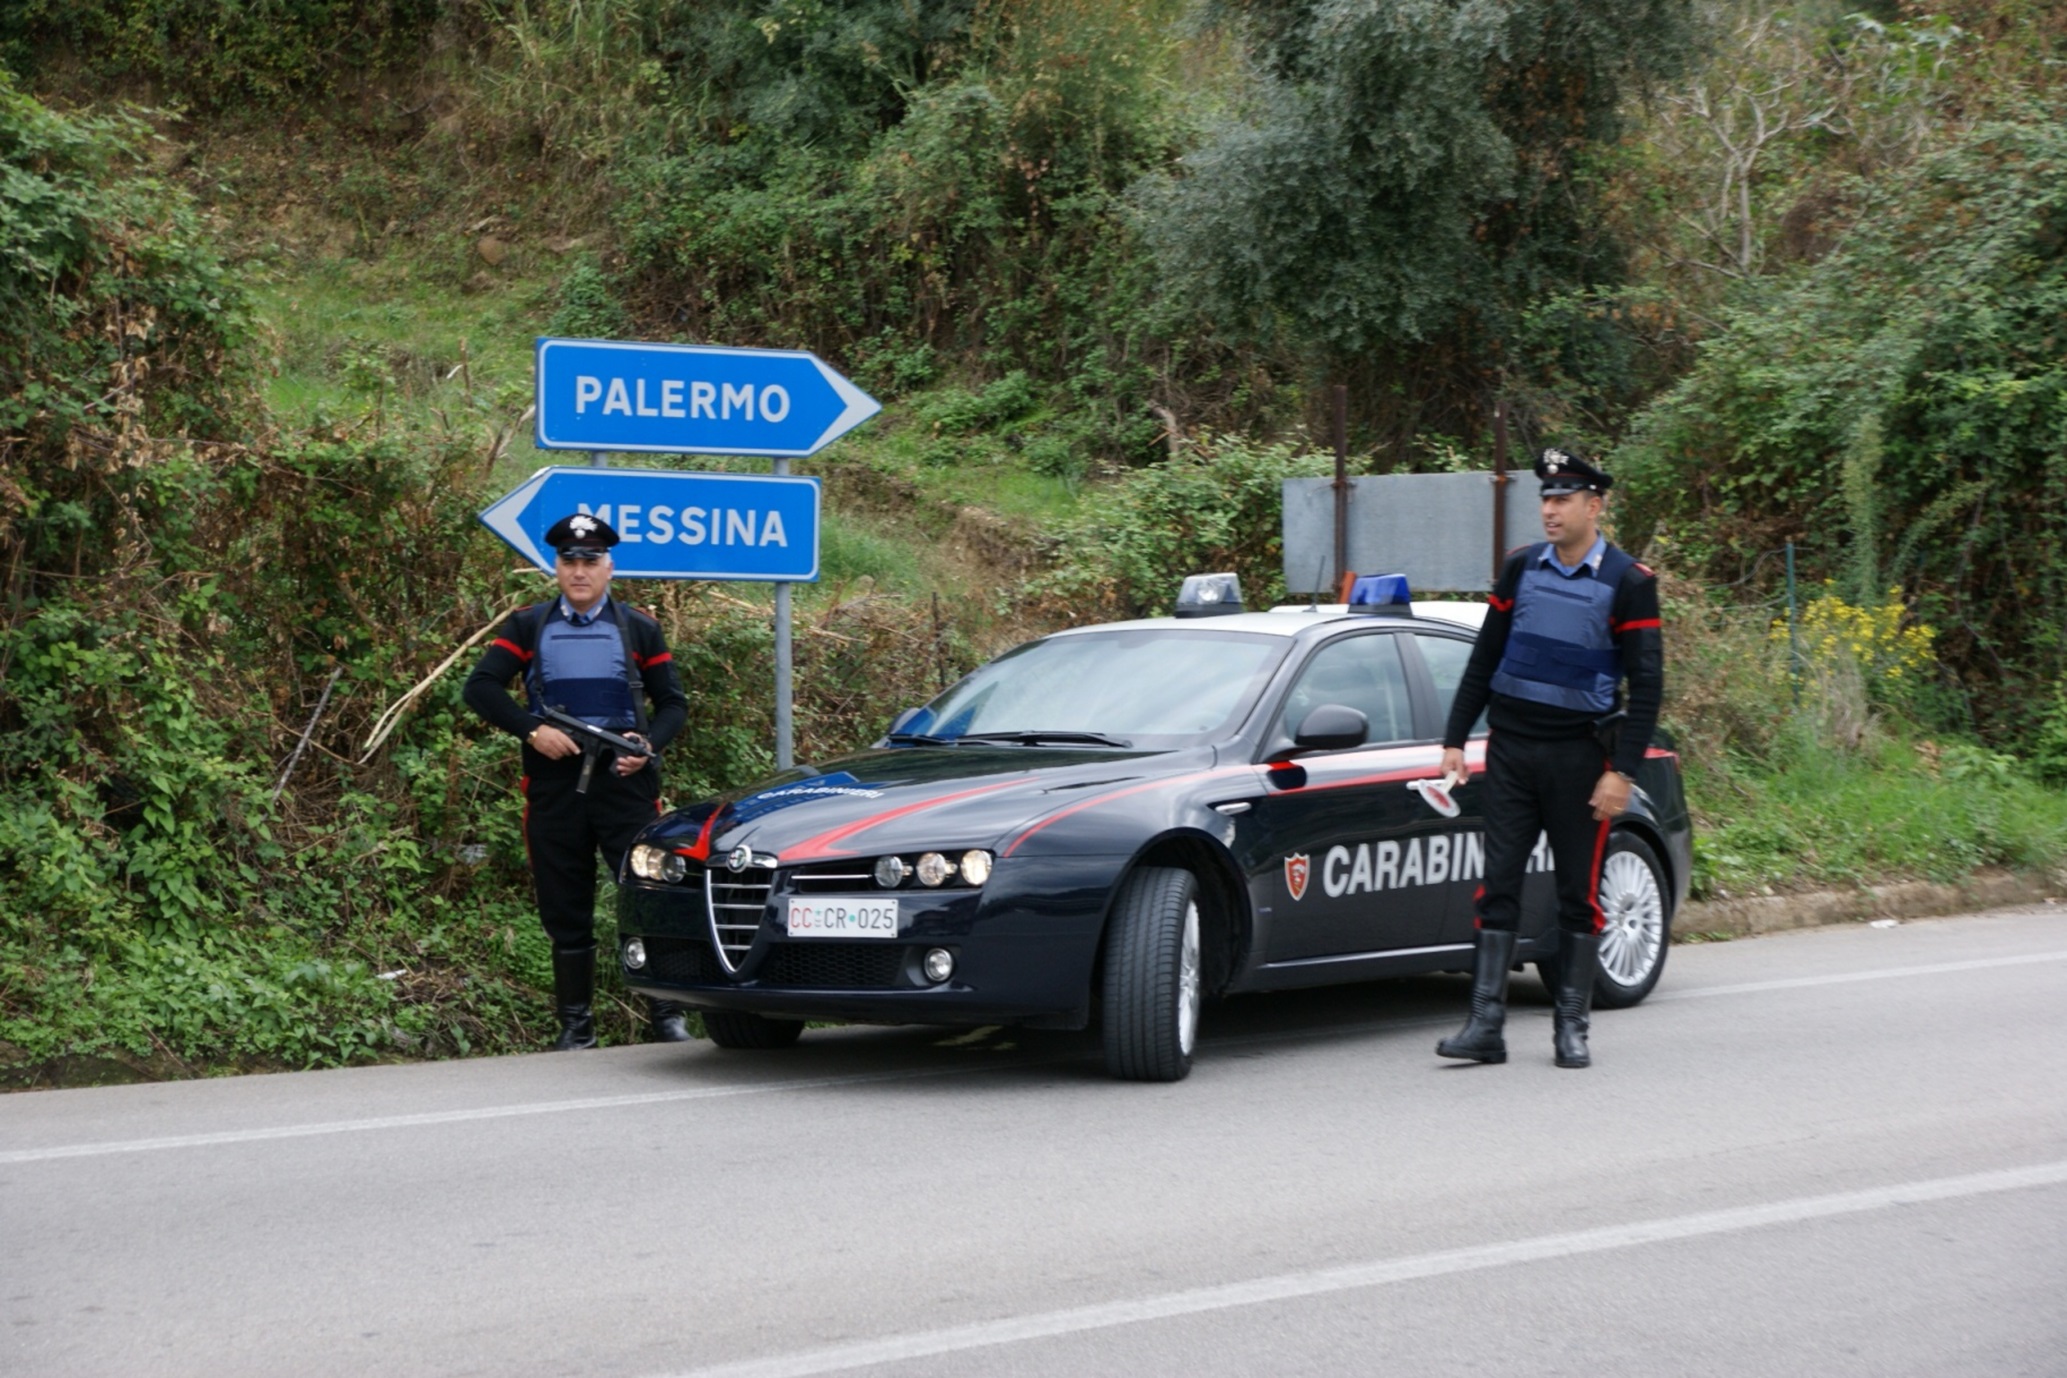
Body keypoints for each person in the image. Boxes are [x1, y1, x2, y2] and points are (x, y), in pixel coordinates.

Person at [1434, 448, 1664, 1069]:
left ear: (1595, 505)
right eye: (1545, 498)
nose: (1549, 509)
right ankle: (1485, 1025)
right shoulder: (1519, 569)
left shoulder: (1630, 583)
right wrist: (1456, 738)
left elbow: (1647, 690)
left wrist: (1623, 774)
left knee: (1577, 894)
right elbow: (1485, 658)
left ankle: (1572, 1026)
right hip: (1510, 751)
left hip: (1580, 762)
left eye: (1563, 499)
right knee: (1497, 885)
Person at [463, 513, 691, 1049]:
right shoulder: (529, 625)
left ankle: (668, 1018)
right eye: (570, 561)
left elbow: (673, 704)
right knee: (564, 904)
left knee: (647, 893)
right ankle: (576, 1029)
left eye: (591, 561)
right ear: (556, 567)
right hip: (554, 783)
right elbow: (481, 688)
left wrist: (648, 745)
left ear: (609, 568)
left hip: (625, 782)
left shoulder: (638, 627)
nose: (580, 570)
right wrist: (531, 729)